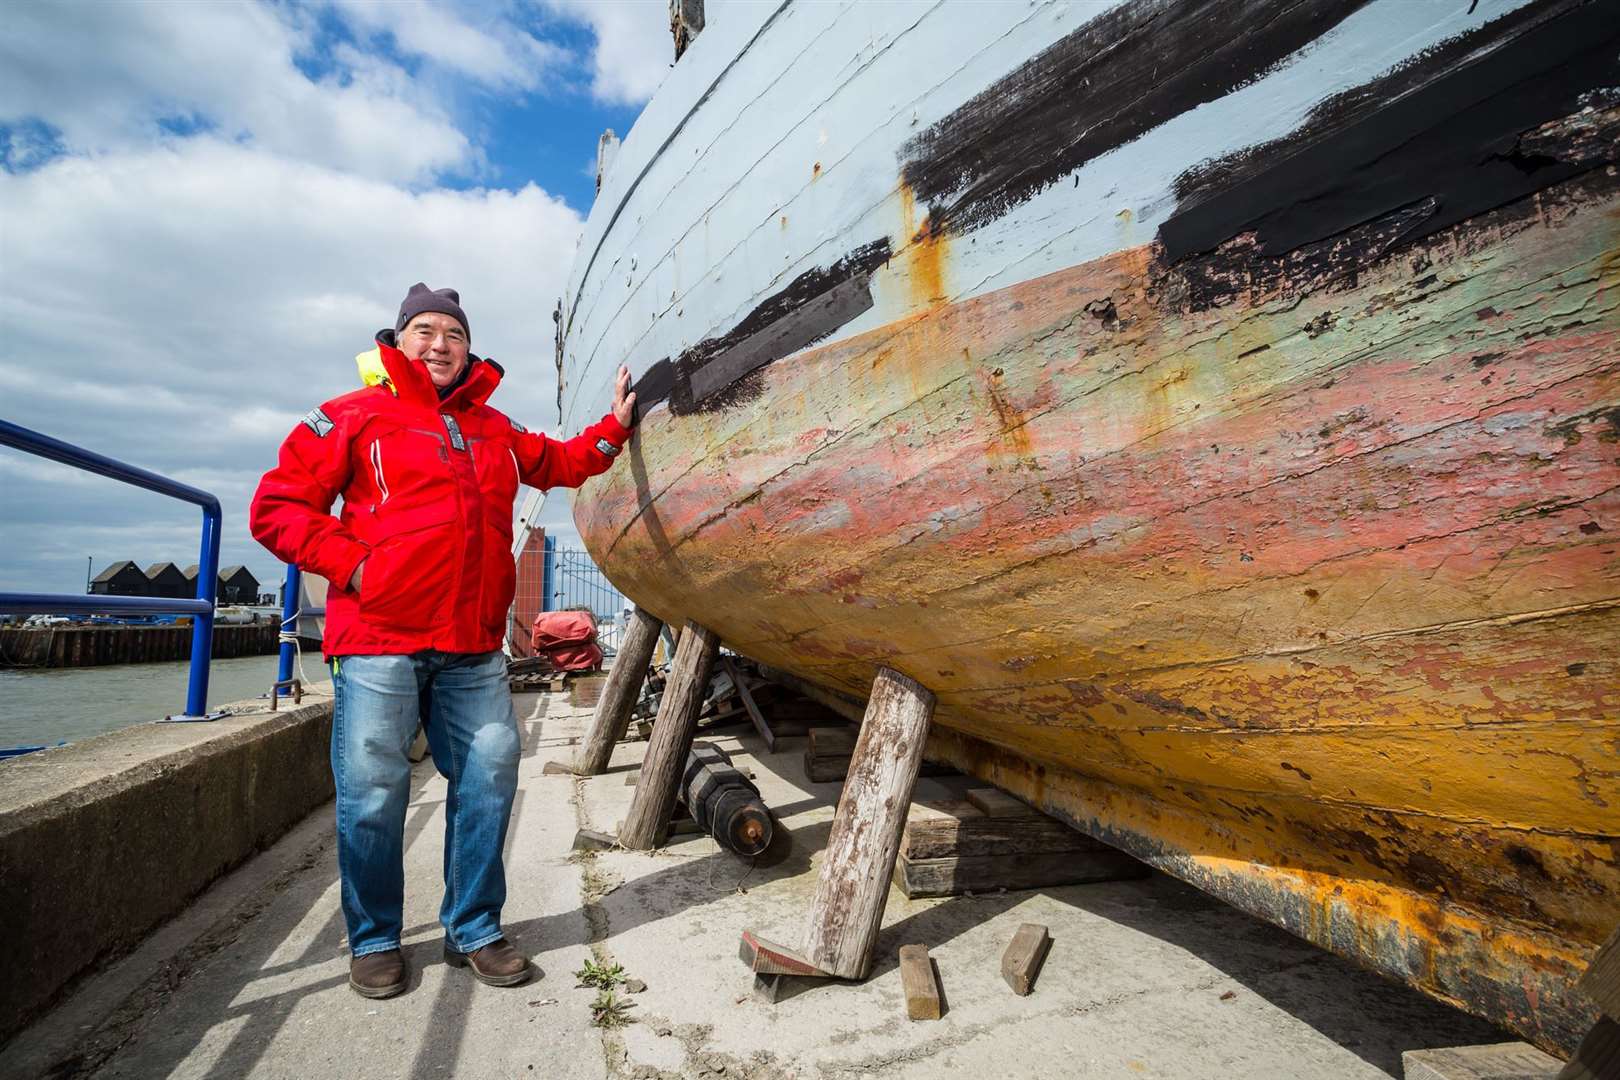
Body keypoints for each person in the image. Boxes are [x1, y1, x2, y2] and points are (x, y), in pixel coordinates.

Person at [250, 283, 635, 999]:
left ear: (467, 348)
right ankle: (373, 940)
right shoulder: (350, 415)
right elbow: (276, 508)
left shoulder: (492, 428)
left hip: (469, 646)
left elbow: (559, 462)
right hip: (377, 641)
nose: (439, 344)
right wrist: (358, 565)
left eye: (453, 334)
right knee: (373, 793)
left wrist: (612, 428)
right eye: (424, 330)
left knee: (490, 770)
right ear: (397, 341)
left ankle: (475, 929)